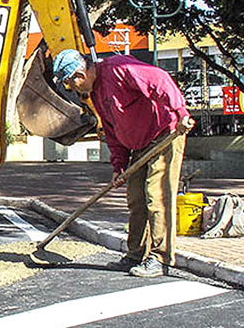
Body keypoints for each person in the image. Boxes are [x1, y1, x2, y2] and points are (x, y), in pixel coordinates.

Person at [52, 49, 195, 277]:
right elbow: (112, 131)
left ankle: (161, 258)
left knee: (156, 196)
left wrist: (181, 113)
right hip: (138, 146)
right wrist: (119, 167)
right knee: (136, 200)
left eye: (71, 84)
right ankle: (135, 254)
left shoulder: (118, 69)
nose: (74, 89)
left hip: (164, 134)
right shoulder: (96, 94)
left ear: (79, 75)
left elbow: (160, 80)